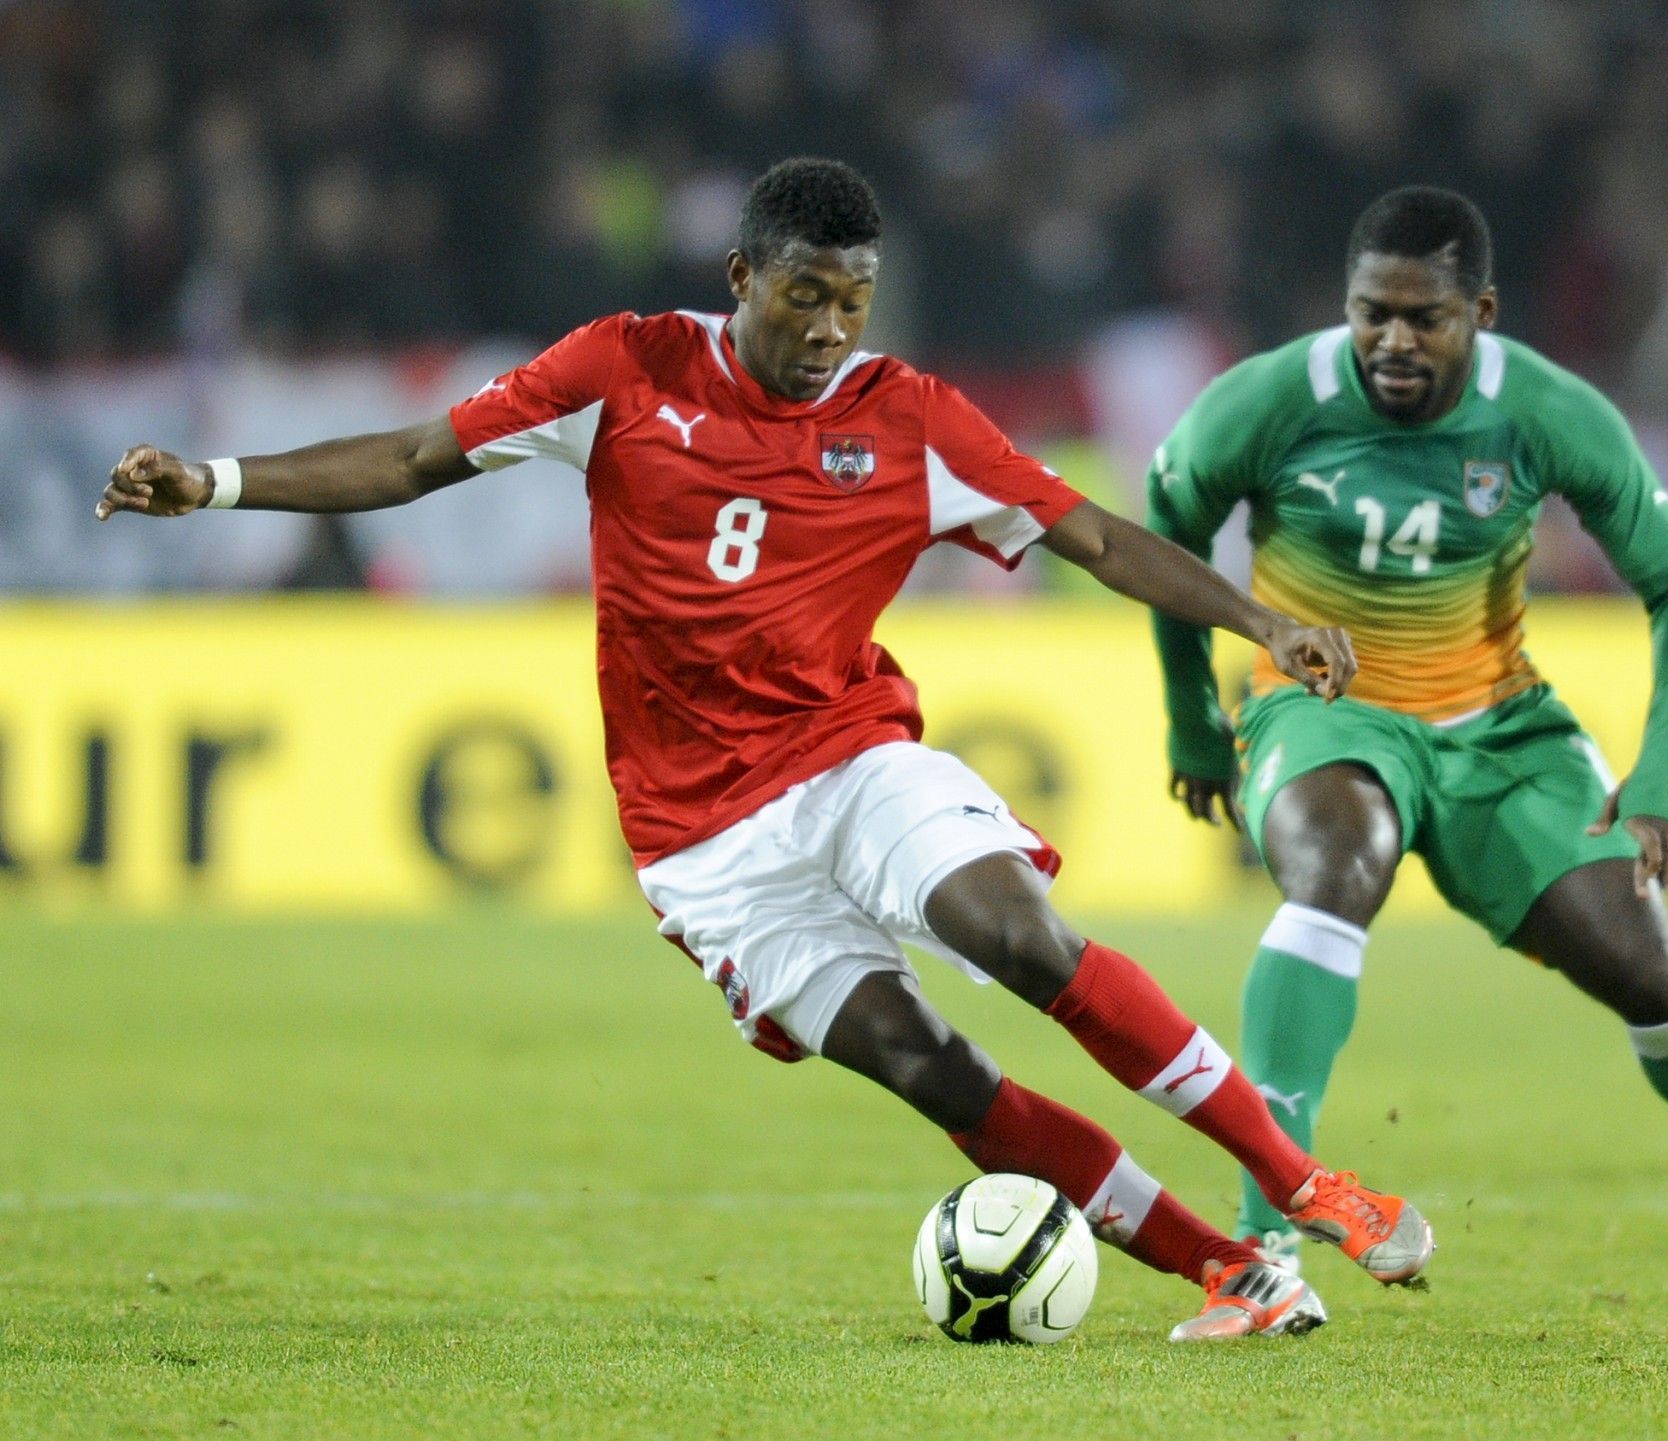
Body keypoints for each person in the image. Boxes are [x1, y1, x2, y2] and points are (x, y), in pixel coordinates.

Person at [95, 157, 1434, 1342]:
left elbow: (1091, 534)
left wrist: (1261, 615)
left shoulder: (906, 417)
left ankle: (1310, 1184)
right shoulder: (621, 370)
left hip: (851, 758)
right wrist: (213, 482)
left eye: (854, 299)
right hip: (702, 844)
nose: (830, 328)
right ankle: (1234, 1271)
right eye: (805, 295)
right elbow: (409, 457)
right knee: (933, 1068)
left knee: (1018, 932)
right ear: (742, 276)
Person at [1147, 185, 1668, 1310]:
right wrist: (1189, 719)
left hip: (1500, 729)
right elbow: (1165, 535)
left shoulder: (1547, 412)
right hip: (1324, 710)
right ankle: (1266, 1247)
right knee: (1332, 866)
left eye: (1424, 319)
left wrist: (1657, 771)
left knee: (1655, 982)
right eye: (1371, 315)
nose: (1392, 343)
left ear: (1483, 312)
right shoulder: (1264, 401)